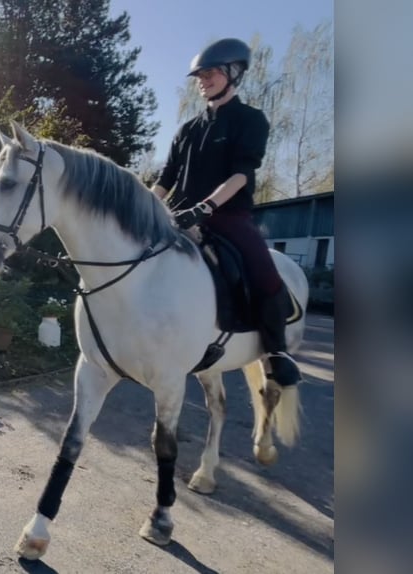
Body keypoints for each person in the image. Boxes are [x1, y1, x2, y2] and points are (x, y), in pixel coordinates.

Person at [151, 37, 301, 387]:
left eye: (211, 73)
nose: (203, 81)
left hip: (227, 216)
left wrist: (206, 207)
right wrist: (144, 206)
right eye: (200, 76)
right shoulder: (188, 129)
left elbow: (241, 174)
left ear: (234, 74)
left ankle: (277, 351)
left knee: (263, 273)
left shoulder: (250, 120)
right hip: (178, 216)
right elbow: (166, 178)